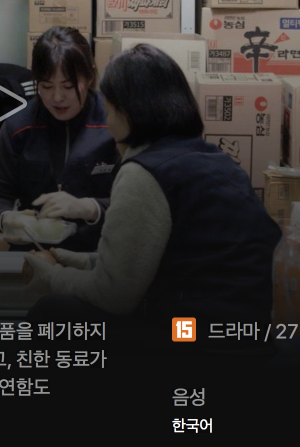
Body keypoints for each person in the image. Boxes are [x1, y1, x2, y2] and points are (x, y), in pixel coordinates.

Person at [22, 44, 281, 335]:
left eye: (108, 111)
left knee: (52, 313)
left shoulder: (144, 173)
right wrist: (76, 261)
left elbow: (113, 296)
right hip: (253, 325)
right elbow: (152, 259)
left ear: (128, 113)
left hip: (198, 332)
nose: (107, 124)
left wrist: (53, 276)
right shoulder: (213, 159)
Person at [0, 26, 120, 252]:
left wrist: (89, 208)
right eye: (46, 86)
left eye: (68, 86)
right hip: (33, 255)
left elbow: (135, 204)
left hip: (98, 258)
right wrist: (5, 218)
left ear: (89, 76)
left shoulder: (113, 123)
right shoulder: (18, 126)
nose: (57, 98)